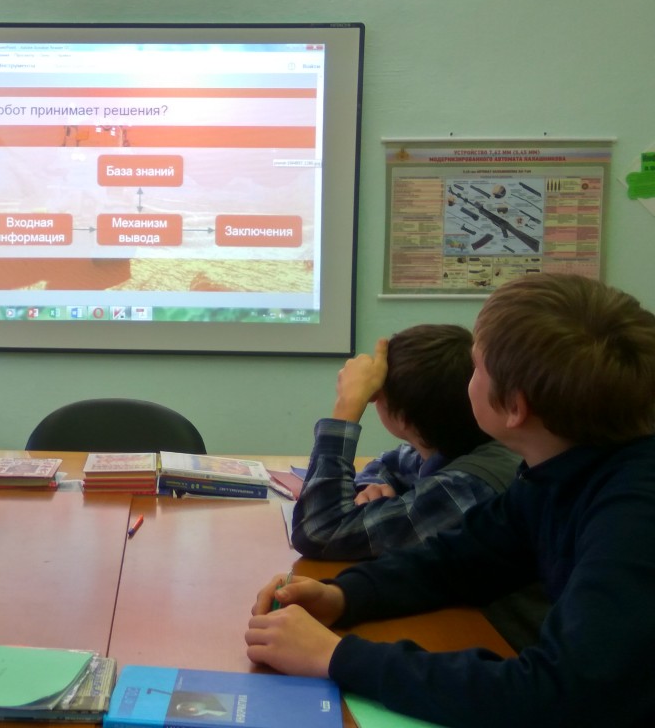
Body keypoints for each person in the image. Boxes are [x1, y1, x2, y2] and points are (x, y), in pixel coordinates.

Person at [247, 273, 655, 727]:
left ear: (514, 407)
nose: (467, 379)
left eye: (476, 366)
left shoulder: (633, 518)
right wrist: (342, 595)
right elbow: (459, 560)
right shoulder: (563, 467)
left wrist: (338, 657)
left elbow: (561, 694)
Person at [292, 324, 520, 561]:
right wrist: (370, 486)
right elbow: (390, 463)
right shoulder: (460, 444)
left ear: (402, 417)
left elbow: (319, 531)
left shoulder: (467, 488)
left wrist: (347, 407)